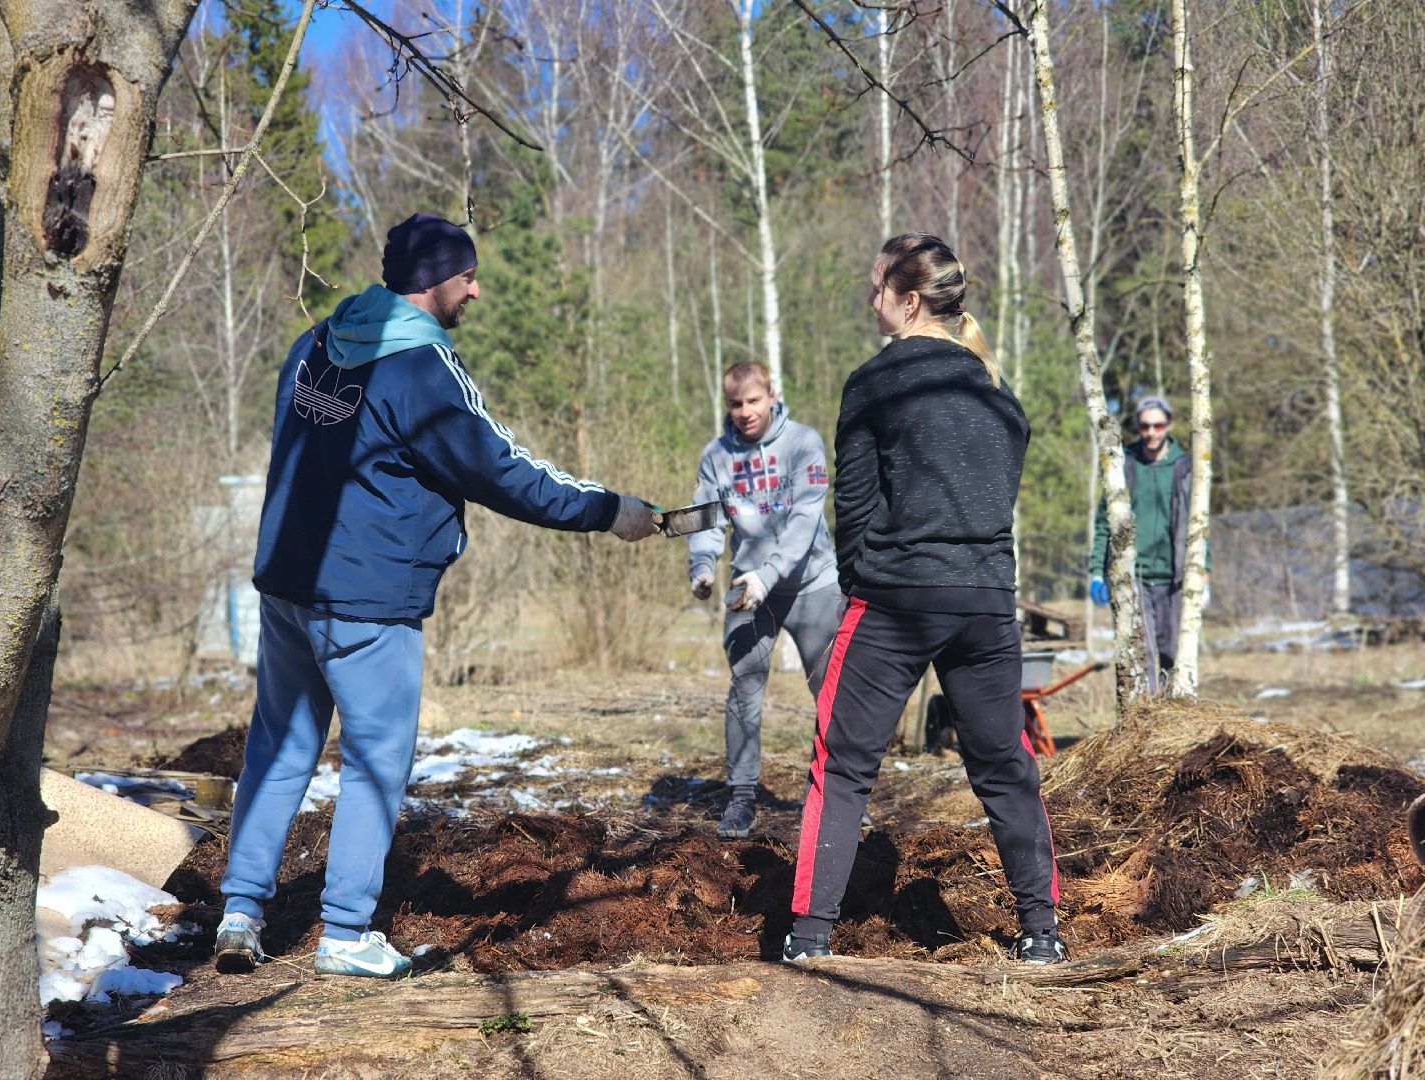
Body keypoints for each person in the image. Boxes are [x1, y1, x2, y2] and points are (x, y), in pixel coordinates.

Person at [214, 213, 660, 980]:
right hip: (368, 602)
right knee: (375, 762)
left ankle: (239, 911)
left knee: (279, 752)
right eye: (468, 276)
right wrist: (609, 510)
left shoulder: (315, 343)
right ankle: (348, 933)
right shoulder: (423, 369)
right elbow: (505, 472)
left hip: (286, 586)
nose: (477, 290)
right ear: (434, 280)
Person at [784, 232, 1066, 966]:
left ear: (908, 302)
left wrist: (860, 589)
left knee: (842, 765)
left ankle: (810, 937)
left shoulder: (876, 381)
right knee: (1006, 765)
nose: (868, 299)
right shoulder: (1000, 395)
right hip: (985, 602)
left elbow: (853, 507)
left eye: (876, 288)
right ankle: (1042, 934)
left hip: (896, 600)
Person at [688, 361, 840, 839]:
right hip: (746, 586)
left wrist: (767, 576)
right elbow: (708, 517)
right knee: (744, 689)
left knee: (833, 694)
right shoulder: (716, 455)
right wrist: (702, 566)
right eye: (736, 404)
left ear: (772, 395)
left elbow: (803, 524)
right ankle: (741, 798)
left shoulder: (804, 443)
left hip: (810, 581)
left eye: (753, 401)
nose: (745, 412)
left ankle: (842, 795)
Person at [1088, 394, 1208, 692]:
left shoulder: (1185, 468)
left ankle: (1176, 717)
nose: (1151, 432)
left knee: (1174, 654)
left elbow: (1201, 522)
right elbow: (1105, 522)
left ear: (1169, 424)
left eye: (1158, 425)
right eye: (1145, 426)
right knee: (1144, 654)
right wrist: (1095, 572)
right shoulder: (1124, 466)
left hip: (1176, 578)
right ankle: (1147, 719)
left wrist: (1204, 570)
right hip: (1135, 577)